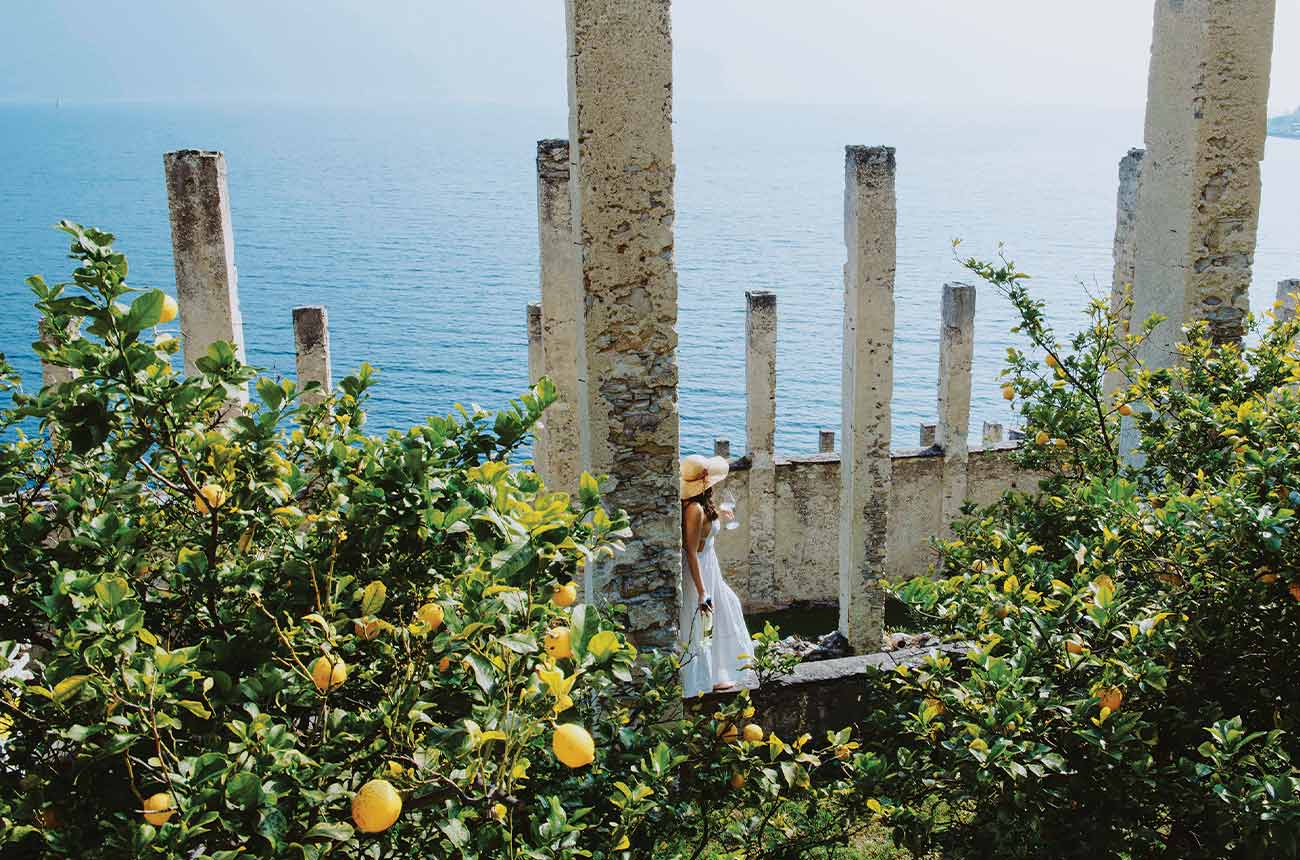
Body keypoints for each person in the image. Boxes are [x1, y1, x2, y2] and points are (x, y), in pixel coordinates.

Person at [678, 453, 757, 698]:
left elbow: (702, 534)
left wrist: (719, 518)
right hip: (699, 570)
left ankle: (716, 674)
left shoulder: (701, 506)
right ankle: (706, 678)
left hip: (709, 566)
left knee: (724, 611)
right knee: (706, 620)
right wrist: (702, 591)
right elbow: (690, 552)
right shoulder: (693, 509)